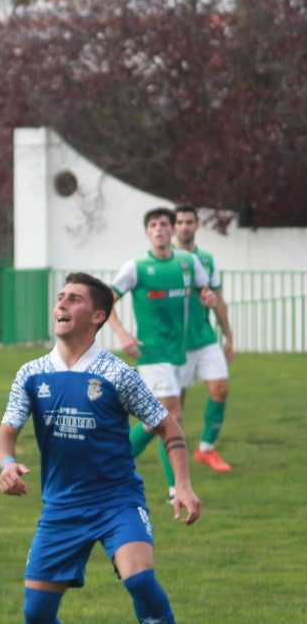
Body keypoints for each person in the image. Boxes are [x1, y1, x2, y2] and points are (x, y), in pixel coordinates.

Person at [0, 272, 202, 624]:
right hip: (61, 508)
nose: (62, 305)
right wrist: (7, 464)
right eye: (60, 297)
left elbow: (167, 425)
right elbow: (4, 436)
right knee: (35, 616)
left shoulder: (116, 374)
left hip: (116, 500)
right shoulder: (31, 374)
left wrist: (182, 484)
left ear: (98, 315)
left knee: (141, 581)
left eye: (74, 299)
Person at [107, 207, 215, 503]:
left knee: (158, 420)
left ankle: (109, 461)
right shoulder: (136, 267)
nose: (159, 229)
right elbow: (106, 299)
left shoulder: (188, 262)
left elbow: (205, 292)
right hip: (152, 353)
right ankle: (174, 489)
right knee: (171, 414)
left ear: (172, 230)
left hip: (180, 352)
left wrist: (208, 297)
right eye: (153, 225)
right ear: (147, 232)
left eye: (164, 224)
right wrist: (124, 334)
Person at [173, 204, 234, 473]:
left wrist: (229, 337)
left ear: (197, 225)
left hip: (205, 338)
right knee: (176, 405)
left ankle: (206, 449)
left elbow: (218, 299)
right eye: (180, 222)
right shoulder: (166, 258)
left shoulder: (207, 259)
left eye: (189, 221)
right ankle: (175, 454)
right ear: (174, 227)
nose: (185, 226)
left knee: (220, 389)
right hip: (176, 344)